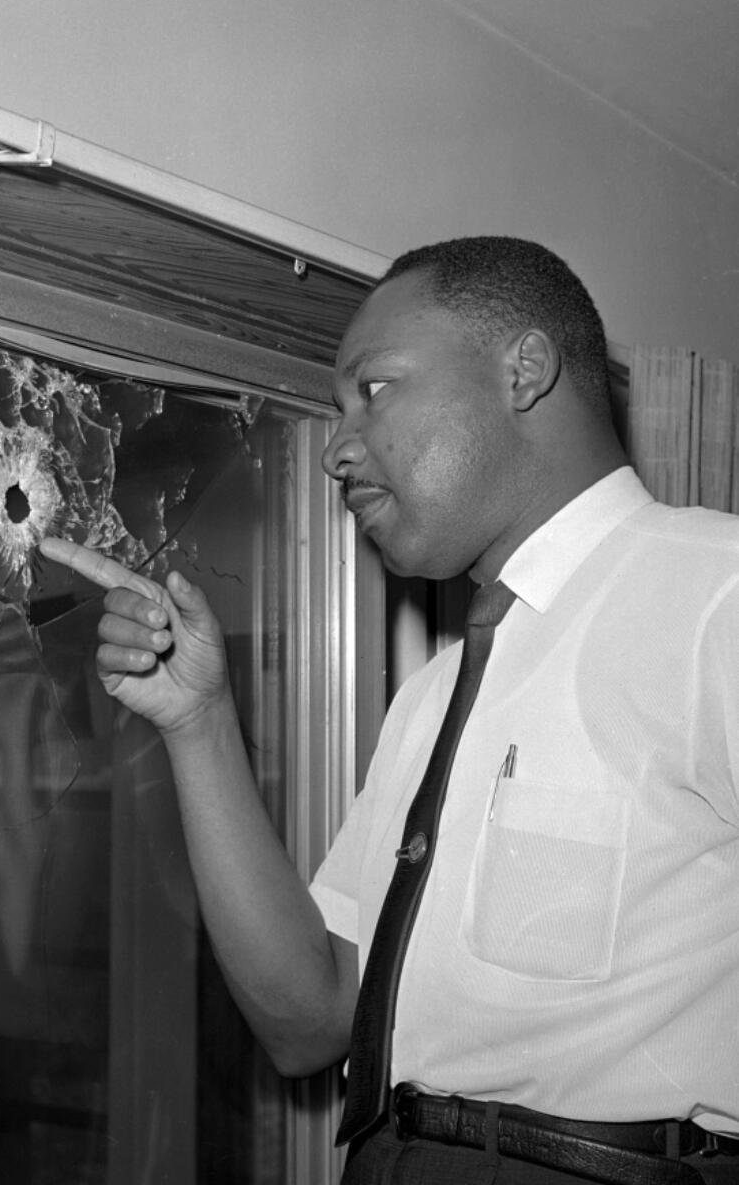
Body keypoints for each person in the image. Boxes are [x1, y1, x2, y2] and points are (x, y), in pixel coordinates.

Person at [40, 235, 739, 1185]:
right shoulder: (431, 698)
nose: (335, 448)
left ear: (524, 370)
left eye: (374, 390)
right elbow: (310, 1020)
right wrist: (197, 724)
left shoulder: (716, 596)